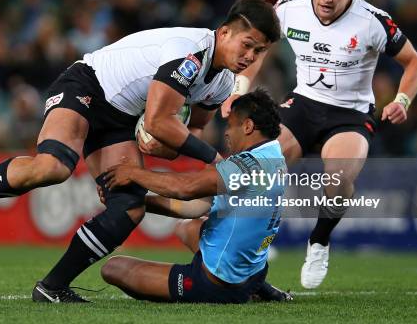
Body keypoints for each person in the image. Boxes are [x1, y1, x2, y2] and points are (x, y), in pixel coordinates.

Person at [0, 0, 280, 302]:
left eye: (259, 50)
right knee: (53, 167)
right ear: (225, 31)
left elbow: (188, 132)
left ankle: (52, 287)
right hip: (87, 86)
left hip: (121, 119)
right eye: (246, 44)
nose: (250, 55)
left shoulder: (220, 83)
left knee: (130, 207)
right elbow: (160, 122)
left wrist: (158, 144)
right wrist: (210, 158)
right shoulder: (191, 53)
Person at [221, 0, 417, 289]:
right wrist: (239, 90)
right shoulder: (288, 10)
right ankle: (255, 239)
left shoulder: (373, 22)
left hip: (350, 115)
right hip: (303, 105)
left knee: (338, 181)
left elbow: (415, 64)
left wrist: (402, 100)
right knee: (257, 167)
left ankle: (319, 241)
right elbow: (256, 47)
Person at [101, 89, 292, 304]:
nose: (226, 133)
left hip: (219, 283)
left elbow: (186, 188)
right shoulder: (273, 158)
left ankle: (209, 289)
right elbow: (196, 206)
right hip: (254, 271)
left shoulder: (246, 166)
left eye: (230, 125)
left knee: (112, 268)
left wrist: (132, 174)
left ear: (247, 126)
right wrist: (139, 201)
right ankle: (259, 287)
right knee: (187, 227)